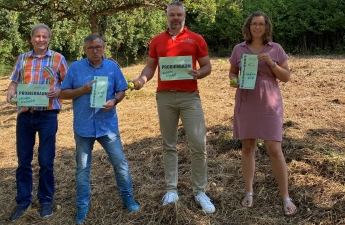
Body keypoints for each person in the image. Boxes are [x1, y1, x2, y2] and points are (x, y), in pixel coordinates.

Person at [130, 1, 215, 214]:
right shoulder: (157, 40)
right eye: (172, 15)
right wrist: (142, 79)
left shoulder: (196, 39)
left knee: (198, 143)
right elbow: (151, 66)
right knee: (169, 144)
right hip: (165, 98)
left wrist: (199, 73)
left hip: (190, 98)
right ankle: (171, 189)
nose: (175, 18)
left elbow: (207, 66)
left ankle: (200, 191)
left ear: (184, 16)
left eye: (179, 15)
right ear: (167, 16)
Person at [59, 33, 140, 224]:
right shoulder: (76, 68)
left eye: (98, 47)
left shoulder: (112, 67)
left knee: (120, 163)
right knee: (82, 168)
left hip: (107, 127)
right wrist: (82, 90)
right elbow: (63, 93)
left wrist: (114, 100)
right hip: (83, 127)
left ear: (103, 47)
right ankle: (82, 206)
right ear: (85, 50)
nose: (95, 51)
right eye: (90, 48)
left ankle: (127, 197)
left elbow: (122, 90)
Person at [228, 11, 297, 216]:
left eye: (261, 24)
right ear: (248, 27)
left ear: (266, 27)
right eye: (254, 24)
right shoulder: (238, 49)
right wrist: (233, 80)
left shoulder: (275, 49)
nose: (257, 27)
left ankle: (285, 196)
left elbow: (286, 77)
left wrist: (272, 64)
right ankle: (249, 191)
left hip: (270, 103)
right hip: (246, 101)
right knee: (248, 147)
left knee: (274, 149)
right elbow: (232, 71)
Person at [6, 23, 68, 222]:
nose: (41, 40)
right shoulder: (23, 58)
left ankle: (46, 201)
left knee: (46, 161)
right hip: (25, 116)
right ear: (31, 39)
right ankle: (23, 202)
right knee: (23, 161)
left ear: (49, 39)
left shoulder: (58, 59)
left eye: (44, 37)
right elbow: (14, 81)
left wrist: (58, 92)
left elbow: (67, 85)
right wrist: (11, 90)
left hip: (48, 116)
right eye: (37, 37)